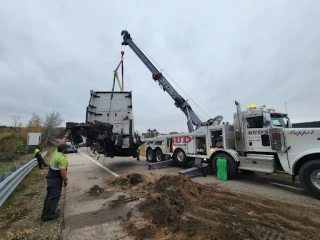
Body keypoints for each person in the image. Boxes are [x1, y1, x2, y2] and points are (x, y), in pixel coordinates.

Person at [41, 131, 70, 222]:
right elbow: (63, 171)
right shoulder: (61, 158)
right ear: (64, 150)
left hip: (50, 178)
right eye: (66, 148)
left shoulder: (55, 153)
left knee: (49, 196)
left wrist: (65, 135)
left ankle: (46, 212)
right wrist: (65, 180)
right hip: (56, 180)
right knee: (54, 196)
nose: (67, 149)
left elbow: (60, 144)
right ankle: (49, 215)